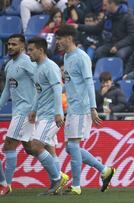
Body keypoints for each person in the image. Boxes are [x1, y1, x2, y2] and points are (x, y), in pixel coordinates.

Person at [55, 25, 115, 195]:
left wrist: (93, 107)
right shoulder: (67, 56)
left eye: (59, 38)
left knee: (73, 145)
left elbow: (89, 83)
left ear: (69, 38)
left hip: (81, 107)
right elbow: (71, 82)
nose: (57, 42)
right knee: (69, 147)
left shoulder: (82, 57)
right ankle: (104, 170)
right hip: (72, 107)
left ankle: (76, 186)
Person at [27, 37, 69, 195]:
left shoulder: (50, 67)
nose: (28, 53)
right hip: (42, 113)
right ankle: (55, 186)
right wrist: (33, 109)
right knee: (49, 149)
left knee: (36, 146)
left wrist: (58, 112)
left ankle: (58, 179)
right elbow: (40, 91)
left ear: (41, 50)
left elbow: (58, 90)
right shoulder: (37, 67)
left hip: (52, 114)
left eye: (31, 50)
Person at [0, 34, 36, 196]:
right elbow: (7, 90)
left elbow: (40, 83)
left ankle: (6, 185)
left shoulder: (27, 62)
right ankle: (57, 175)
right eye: (8, 44)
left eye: (14, 44)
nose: (10, 47)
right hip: (18, 111)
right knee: (31, 147)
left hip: (26, 111)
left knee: (8, 145)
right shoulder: (9, 65)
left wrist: (34, 108)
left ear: (22, 46)